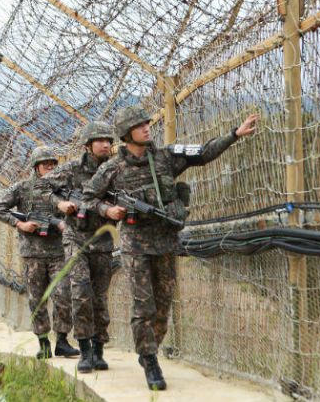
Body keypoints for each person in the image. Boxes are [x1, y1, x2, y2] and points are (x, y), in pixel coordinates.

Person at [82, 105, 259, 390]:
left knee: (163, 306)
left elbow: (202, 153)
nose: (146, 128)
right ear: (126, 134)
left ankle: (150, 347)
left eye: (146, 123)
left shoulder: (165, 157)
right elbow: (87, 198)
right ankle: (150, 359)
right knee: (143, 304)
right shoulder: (112, 169)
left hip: (165, 243)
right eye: (139, 125)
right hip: (135, 246)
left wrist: (234, 134)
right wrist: (107, 210)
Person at [37, 121, 117, 373]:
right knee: (81, 294)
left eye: (109, 140)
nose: (106, 144)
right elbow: (39, 187)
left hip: (103, 240)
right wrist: (59, 204)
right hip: (76, 239)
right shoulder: (71, 170)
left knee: (100, 297)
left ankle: (99, 350)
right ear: (88, 145)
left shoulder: (115, 169)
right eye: (100, 140)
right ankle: (84, 350)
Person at [0, 146, 80, 359]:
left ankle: (62, 340)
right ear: (36, 167)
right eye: (45, 164)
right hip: (32, 253)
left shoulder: (63, 190)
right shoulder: (22, 189)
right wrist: (19, 224)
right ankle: (43, 342)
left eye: (53, 164)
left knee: (63, 295)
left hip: (59, 251)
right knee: (37, 298)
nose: (50, 167)